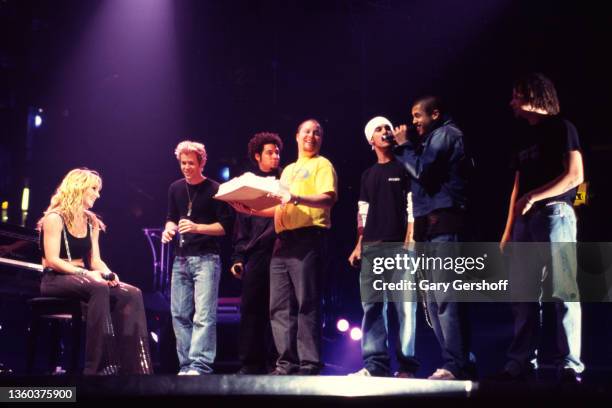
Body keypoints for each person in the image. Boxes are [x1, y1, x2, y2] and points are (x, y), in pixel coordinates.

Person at [495, 73, 585, 382]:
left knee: (563, 291)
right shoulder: (522, 138)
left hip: (555, 214)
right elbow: (516, 188)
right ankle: (519, 362)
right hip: (525, 222)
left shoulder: (562, 127)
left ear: (530, 95)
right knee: (522, 295)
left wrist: (535, 196)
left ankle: (570, 365)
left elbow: (575, 176)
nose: (511, 102)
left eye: (515, 95)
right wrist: (507, 231)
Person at [231, 119, 337, 375]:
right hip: (282, 242)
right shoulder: (288, 170)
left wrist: (297, 197)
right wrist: (251, 209)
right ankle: (285, 363)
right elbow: (281, 206)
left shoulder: (322, 164)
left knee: (306, 304)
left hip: (308, 239)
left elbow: (329, 198)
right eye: (307, 132)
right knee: (278, 307)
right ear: (297, 136)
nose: (312, 136)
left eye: (317, 132)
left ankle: (309, 363)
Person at [39, 168, 152, 375]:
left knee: (132, 293)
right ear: (79, 188)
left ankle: (136, 370)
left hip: (85, 278)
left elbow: (96, 260)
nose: (98, 194)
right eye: (94, 189)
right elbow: (53, 260)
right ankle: (97, 368)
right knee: (99, 288)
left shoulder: (92, 222)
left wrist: (109, 273)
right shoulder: (54, 218)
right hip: (55, 279)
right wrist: (87, 274)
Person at [393, 96, 474, 380]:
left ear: (435, 114)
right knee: (432, 300)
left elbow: (424, 173)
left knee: (446, 298)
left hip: (445, 227)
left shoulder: (446, 135)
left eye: (418, 116)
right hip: (431, 229)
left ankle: (457, 364)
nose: (413, 122)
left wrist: (403, 145)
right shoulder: (431, 140)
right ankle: (456, 361)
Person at [348, 116, 419, 378]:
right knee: (373, 307)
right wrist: (359, 244)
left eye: (387, 127)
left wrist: (411, 239)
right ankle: (374, 366)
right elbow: (363, 212)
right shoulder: (368, 175)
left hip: (400, 247)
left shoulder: (404, 167)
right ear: (371, 139)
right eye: (378, 129)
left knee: (405, 308)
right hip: (373, 249)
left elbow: (413, 205)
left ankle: (407, 367)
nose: (385, 131)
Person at [161, 140, 234, 375]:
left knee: (203, 315)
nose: (186, 167)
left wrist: (196, 227)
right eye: (183, 163)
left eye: (191, 163)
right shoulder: (175, 188)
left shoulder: (215, 189)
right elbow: (171, 217)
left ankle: (200, 366)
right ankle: (186, 366)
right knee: (179, 314)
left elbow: (225, 228)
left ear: (202, 162)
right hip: (180, 258)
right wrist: (169, 229)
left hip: (207, 259)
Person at [231, 132, 283, 374]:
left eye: (277, 152)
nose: (275, 156)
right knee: (251, 309)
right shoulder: (248, 183)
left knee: (279, 309)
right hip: (256, 254)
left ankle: (277, 363)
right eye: (270, 152)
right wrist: (239, 257)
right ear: (257, 156)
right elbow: (242, 224)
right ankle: (250, 364)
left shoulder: (285, 180)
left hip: (281, 250)